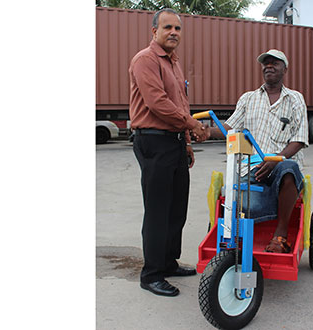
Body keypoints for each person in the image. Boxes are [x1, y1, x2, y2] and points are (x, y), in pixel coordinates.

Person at [129, 8, 210, 297]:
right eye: (167, 28)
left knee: (177, 207)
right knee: (158, 210)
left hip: (174, 141)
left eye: (178, 28)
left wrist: (187, 140)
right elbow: (158, 104)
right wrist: (194, 126)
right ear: (155, 32)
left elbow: (182, 105)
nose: (173, 32)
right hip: (153, 141)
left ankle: (168, 262)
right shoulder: (145, 60)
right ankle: (151, 274)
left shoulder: (174, 64)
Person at [210, 49, 309, 253]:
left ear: (285, 69)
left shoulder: (295, 99)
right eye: (266, 63)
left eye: (275, 63)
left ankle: (280, 236)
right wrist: (205, 131)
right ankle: (234, 237)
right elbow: (230, 128)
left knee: (288, 169)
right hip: (252, 167)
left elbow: (299, 139)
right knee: (248, 203)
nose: (269, 66)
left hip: (282, 164)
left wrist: (275, 160)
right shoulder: (248, 99)